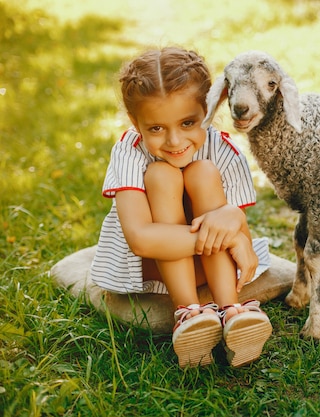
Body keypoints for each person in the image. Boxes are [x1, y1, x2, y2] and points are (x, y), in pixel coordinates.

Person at [90, 47, 272, 368]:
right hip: (150, 267)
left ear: (209, 109)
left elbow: (237, 227)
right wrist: (230, 236)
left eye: (188, 122)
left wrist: (232, 222)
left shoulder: (221, 147)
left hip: (206, 265)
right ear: (136, 123)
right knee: (161, 174)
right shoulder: (129, 151)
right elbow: (141, 239)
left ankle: (230, 311)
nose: (175, 142)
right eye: (156, 128)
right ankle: (189, 314)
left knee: (202, 173)